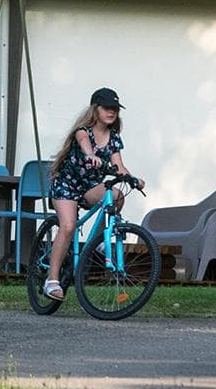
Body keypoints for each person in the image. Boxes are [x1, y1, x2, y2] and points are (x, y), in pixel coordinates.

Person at [41, 87, 144, 301]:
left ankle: (100, 239)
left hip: (90, 185)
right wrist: (91, 156)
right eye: (107, 107)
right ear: (95, 109)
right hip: (67, 185)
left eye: (115, 108)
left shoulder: (114, 138)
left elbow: (119, 166)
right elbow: (85, 146)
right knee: (68, 226)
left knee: (117, 196)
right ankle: (51, 280)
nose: (112, 112)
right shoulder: (83, 131)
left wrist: (133, 179)